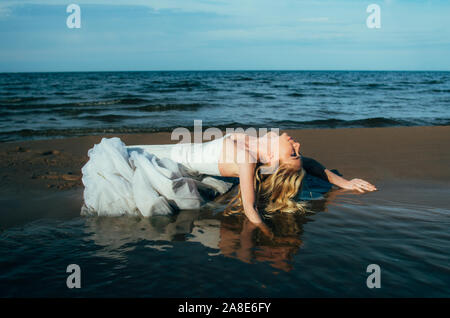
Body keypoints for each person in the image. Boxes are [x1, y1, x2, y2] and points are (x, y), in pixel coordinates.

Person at [81, 131, 376, 223]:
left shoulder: (247, 160)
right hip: (179, 149)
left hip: (167, 158)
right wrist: (344, 182)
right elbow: (309, 164)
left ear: (273, 160)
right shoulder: (262, 153)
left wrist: (263, 230)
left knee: (111, 154)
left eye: (293, 151)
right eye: (296, 149)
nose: (297, 145)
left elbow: (250, 209)